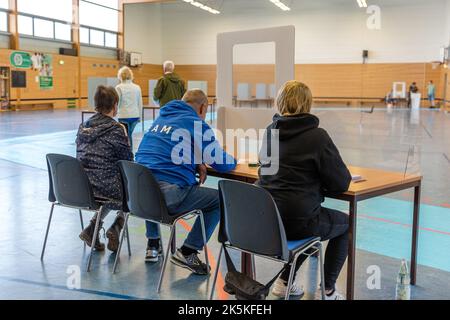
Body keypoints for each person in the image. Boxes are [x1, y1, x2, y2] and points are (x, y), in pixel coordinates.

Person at [257, 80, 352, 300]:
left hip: (269, 219)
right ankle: (327, 289)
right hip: (299, 221)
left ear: (280, 102)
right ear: (307, 103)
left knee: (304, 223)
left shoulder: (270, 132)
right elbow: (341, 183)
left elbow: (266, 168)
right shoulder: (318, 136)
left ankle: (284, 282)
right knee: (346, 224)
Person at [136, 89, 236, 275]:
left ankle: (153, 244)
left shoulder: (160, 120)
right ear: (203, 107)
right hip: (168, 197)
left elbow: (162, 153)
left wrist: (196, 160)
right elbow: (222, 164)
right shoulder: (196, 123)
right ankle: (189, 250)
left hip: (137, 196)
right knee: (220, 200)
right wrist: (235, 161)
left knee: (151, 178)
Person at [77, 85, 134, 252]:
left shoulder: (83, 126)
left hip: (83, 188)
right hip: (107, 188)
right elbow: (128, 161)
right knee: (129, 185)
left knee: (109, 183)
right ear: (115, 105)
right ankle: (117, 225)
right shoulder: (117, 129)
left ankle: (92, 228)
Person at [116, 66, 143, 149]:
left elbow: (117, 102)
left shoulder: (118, 87)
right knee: (130, 137)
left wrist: (116, 114)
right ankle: (130, 154)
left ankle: (127, 156)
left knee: (125, 138)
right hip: (135, 116)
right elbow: (140, 103)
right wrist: (140, 117)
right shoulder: (137, 87)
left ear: (120, 76)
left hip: (123, 116)